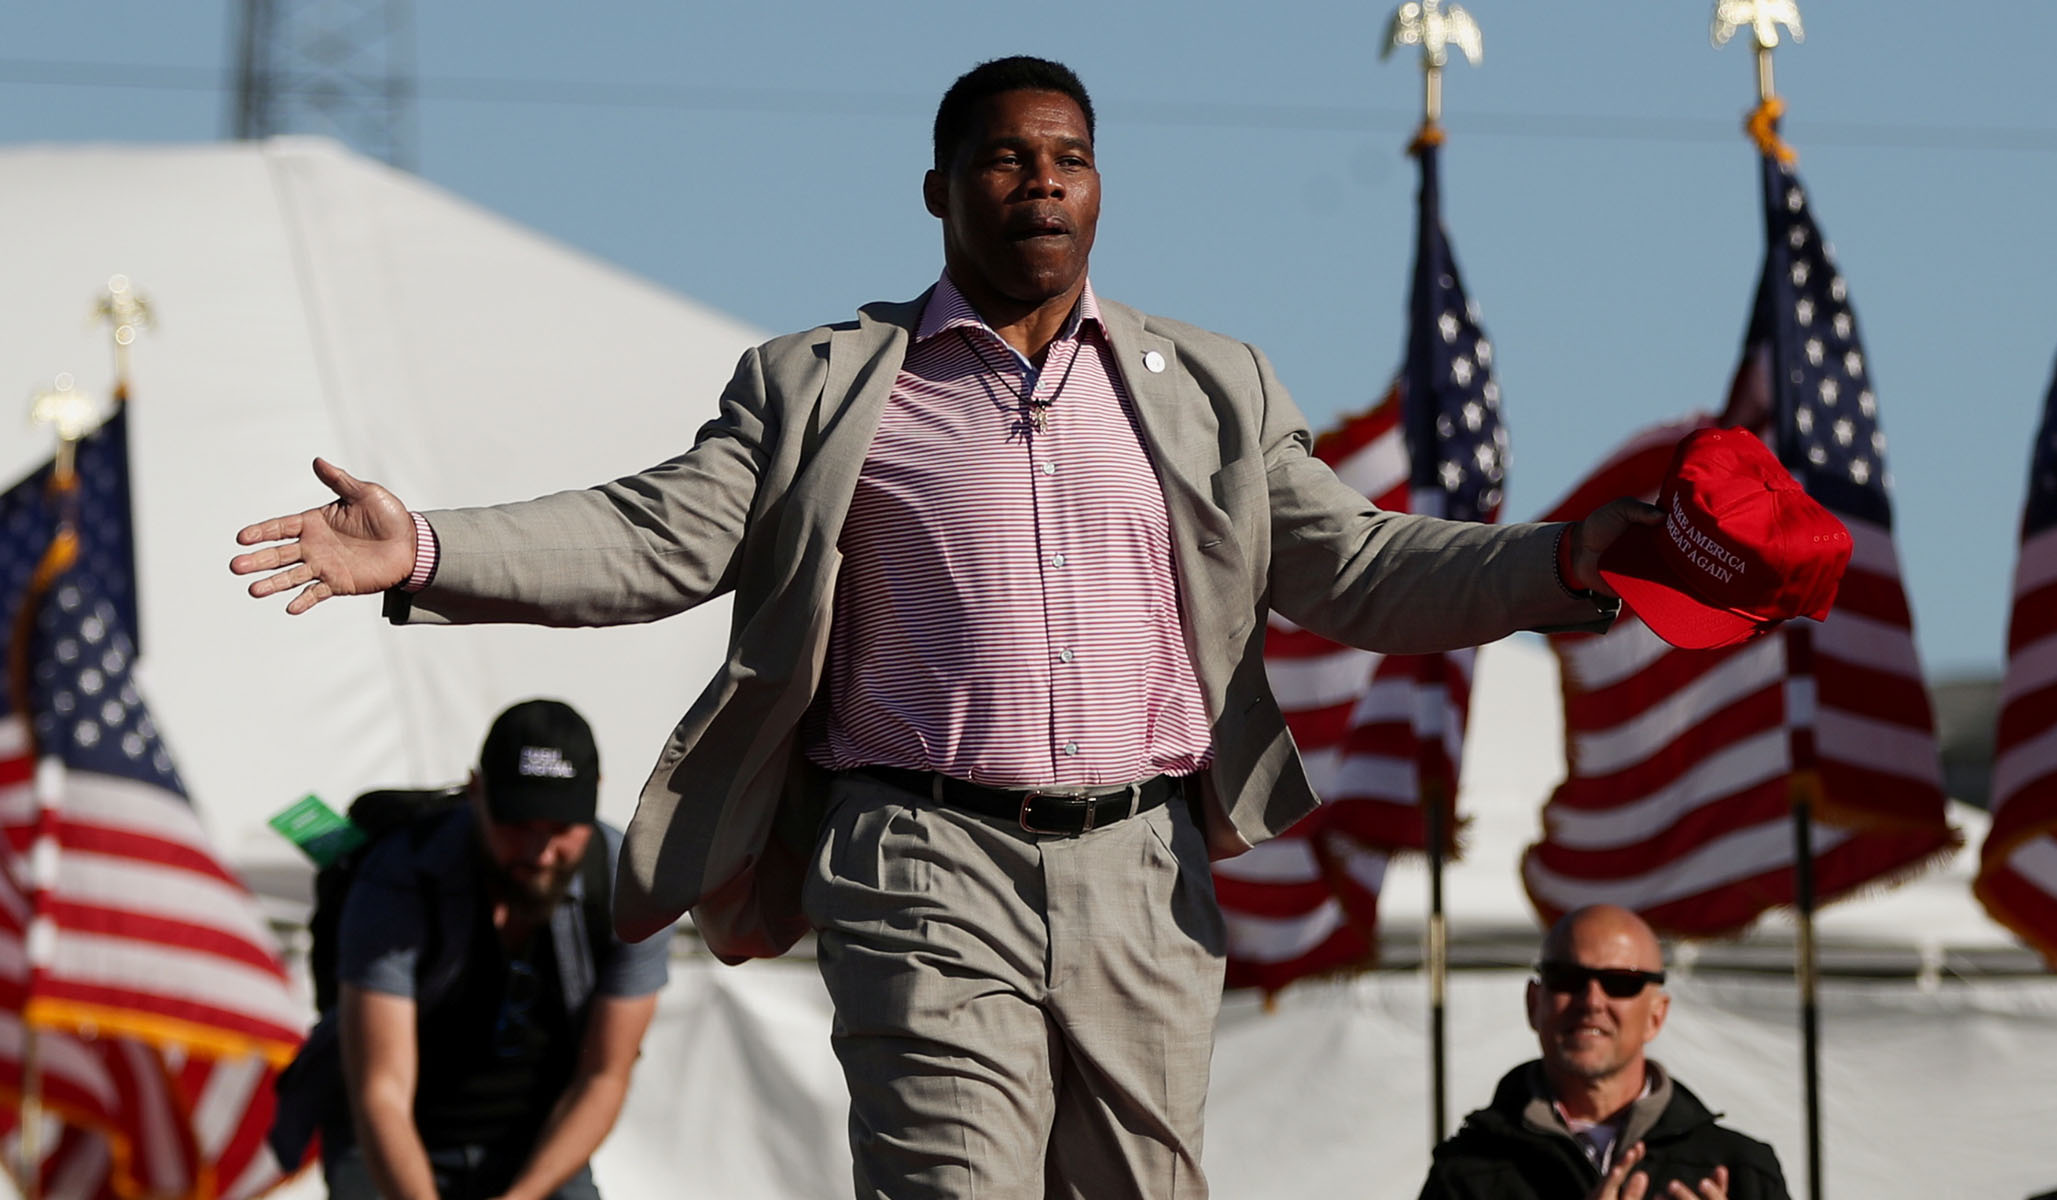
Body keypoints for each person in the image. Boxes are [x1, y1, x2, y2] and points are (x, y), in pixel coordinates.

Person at [234, 55, 1652, 1199]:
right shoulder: (825, 385)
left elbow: (1360, 565)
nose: (1041, 181)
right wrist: (428, 548)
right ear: (938, 189)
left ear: (1100, 188)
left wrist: (1566, 562)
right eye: (1005, 157)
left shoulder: (1208, 387)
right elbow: (658, 533)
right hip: (922, 859)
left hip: (1142, 863)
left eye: (1069, 157)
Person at [322, 699, 670, 1200]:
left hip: (539, 1142)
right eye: (518, 824)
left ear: (596, 794)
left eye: (561, 828)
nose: (540, 853)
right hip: (391, 1137)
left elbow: (605, 1076)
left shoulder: (630, 887)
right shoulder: (399, 875)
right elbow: (381, 1091)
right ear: (476, 791)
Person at [1419, 906, 1791, 1200]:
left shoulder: (1741, 1171)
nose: (1592, 1001)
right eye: (1567, 978)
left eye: (1620, 982)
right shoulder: (1466, 1174)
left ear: (1656, 1016)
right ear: (1534, 1003)